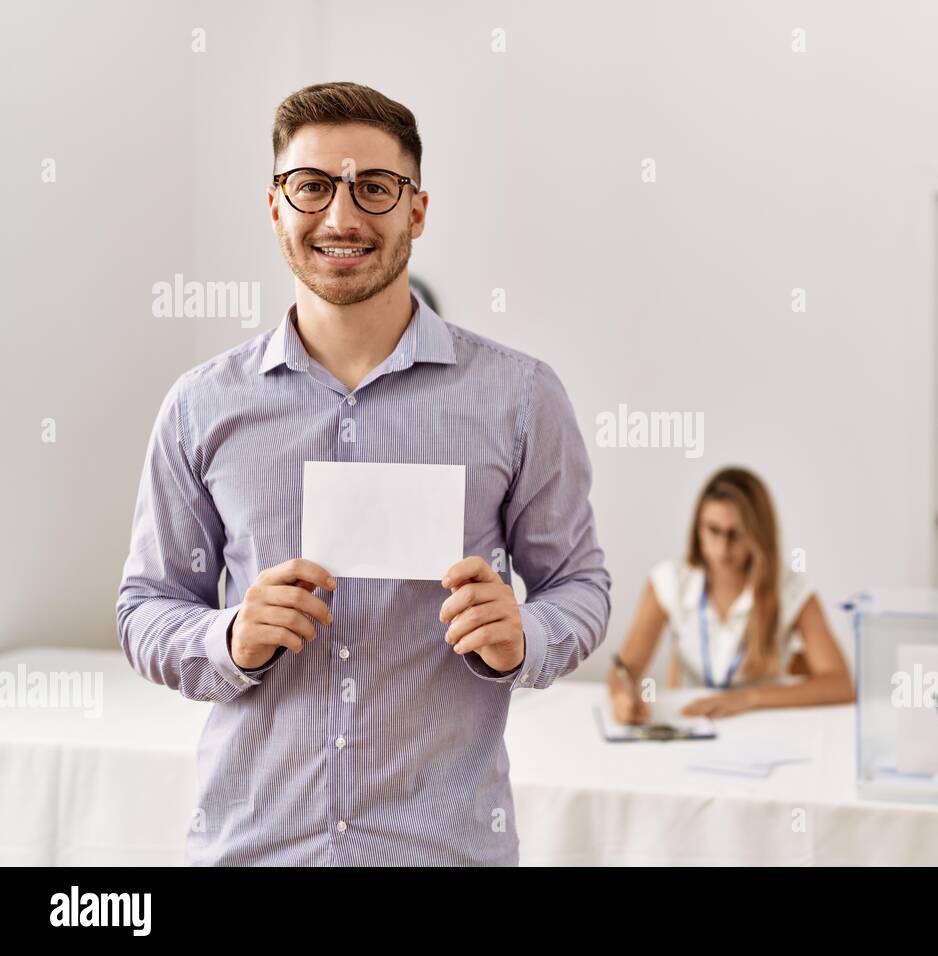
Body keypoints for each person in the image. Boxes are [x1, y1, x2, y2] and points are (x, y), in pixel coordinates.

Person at [115, 82, 611, 866]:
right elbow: (145, 606)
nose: (342, 218)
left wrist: (528, 635)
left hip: (444, 850)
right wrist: (230, 636)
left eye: (374, 188)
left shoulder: (519, 397)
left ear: (416, 211)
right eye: (312, 186)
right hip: (255, 849)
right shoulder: (200, 407)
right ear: (275, 205)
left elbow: (580, 586)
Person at [607, 467, 853, 723]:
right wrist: (621, 696)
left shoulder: (791, 589)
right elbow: (624, 670)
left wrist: (748, 699)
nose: (723, 547)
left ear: (758, 535)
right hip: (695, 723)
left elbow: (841, 685)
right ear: (698, 530)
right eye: (713, 530)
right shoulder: (669, 581)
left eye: (735, 534)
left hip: (762, 723)